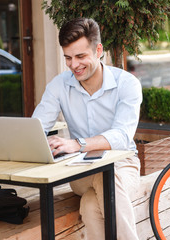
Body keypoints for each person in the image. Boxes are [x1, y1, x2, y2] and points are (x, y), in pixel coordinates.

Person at [32, 18, 142, 240]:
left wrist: (76, 144)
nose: (74, 65)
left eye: (81, 56)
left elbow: (122, 137)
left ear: (98, 50)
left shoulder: (127, 84)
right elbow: (36, 127)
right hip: (80, 171)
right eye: (68, 58)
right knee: (102, 178)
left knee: (92, 205)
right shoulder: (58, 85)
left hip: (123, 166)